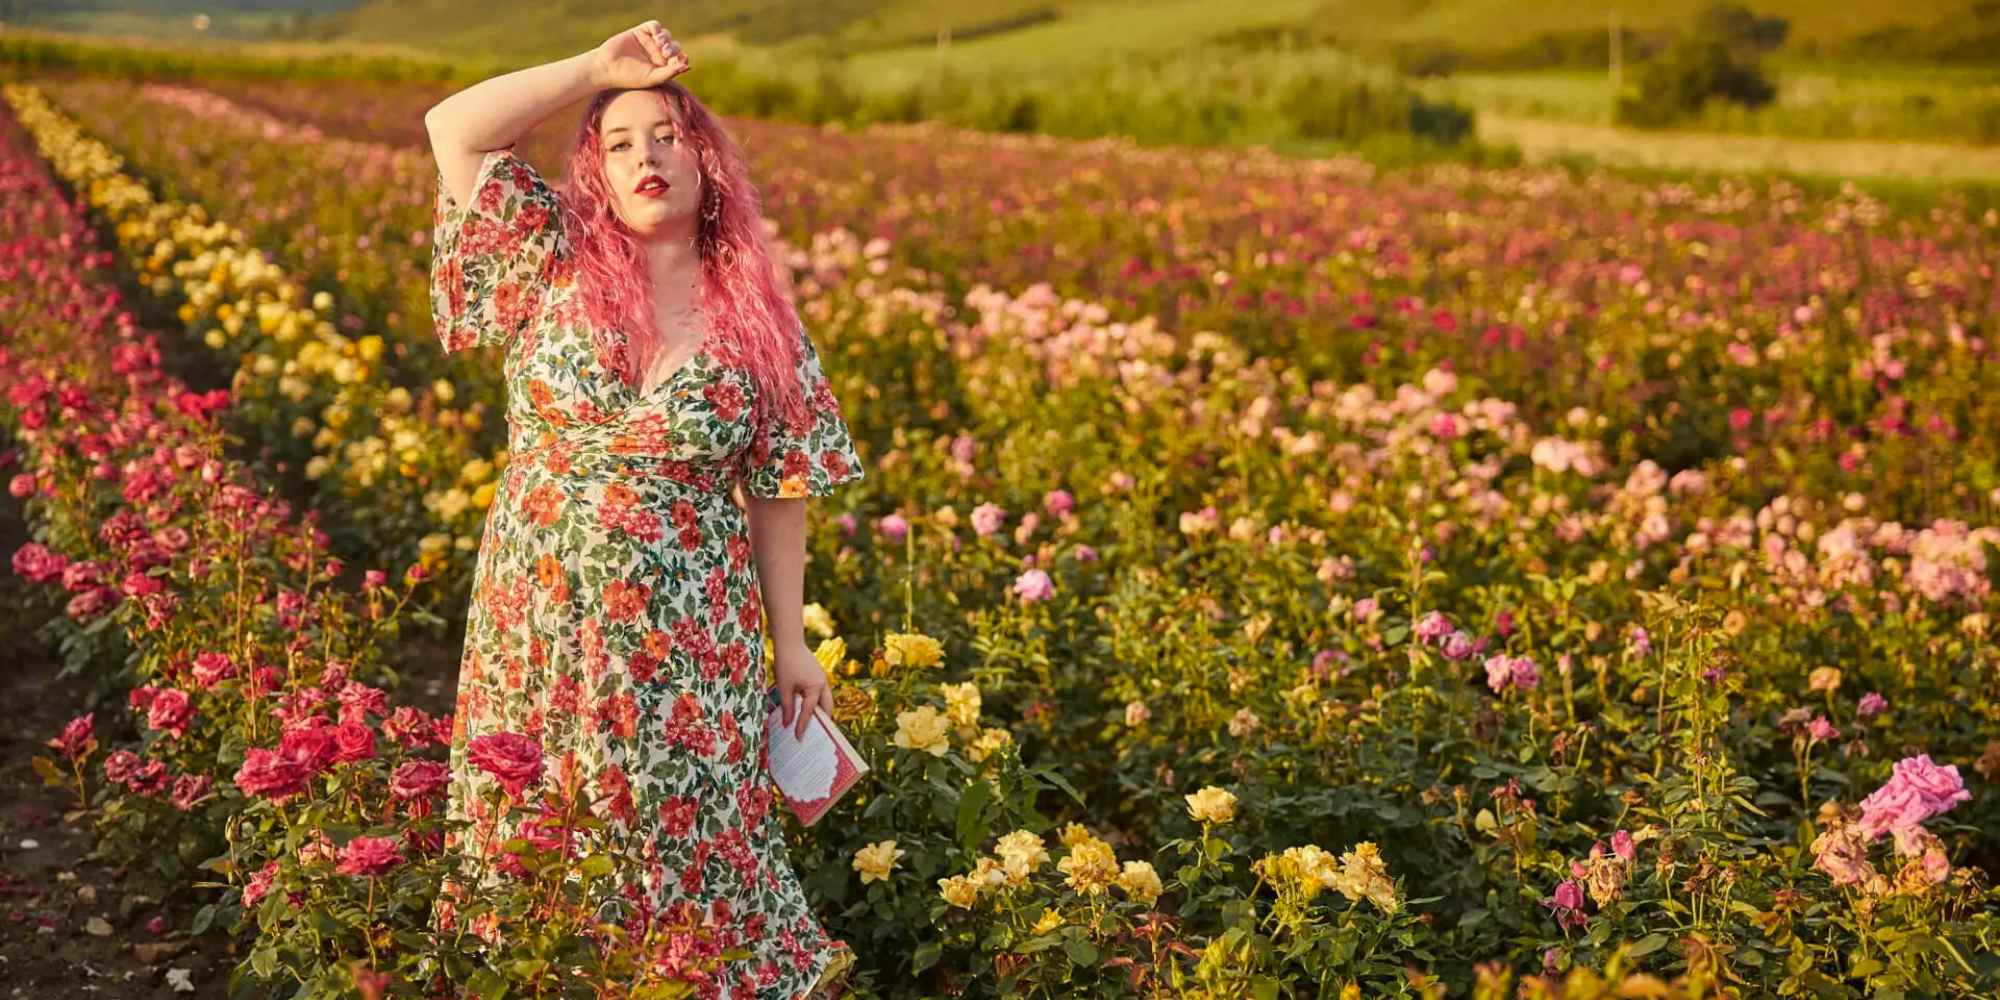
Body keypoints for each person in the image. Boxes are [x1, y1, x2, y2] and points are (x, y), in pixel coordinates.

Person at [423, 20, 862, 999]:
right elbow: (454, 127)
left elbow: (780, 487)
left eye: (666, 135)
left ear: (706, 161)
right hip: (538, 620)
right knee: (536, 811)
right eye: (618, 143)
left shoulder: (760, 324)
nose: (644, 156)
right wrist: (593, 69)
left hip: (690, 641)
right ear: (598, 173)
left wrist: (792, 643)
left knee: (682, 827)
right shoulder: (550, 259)